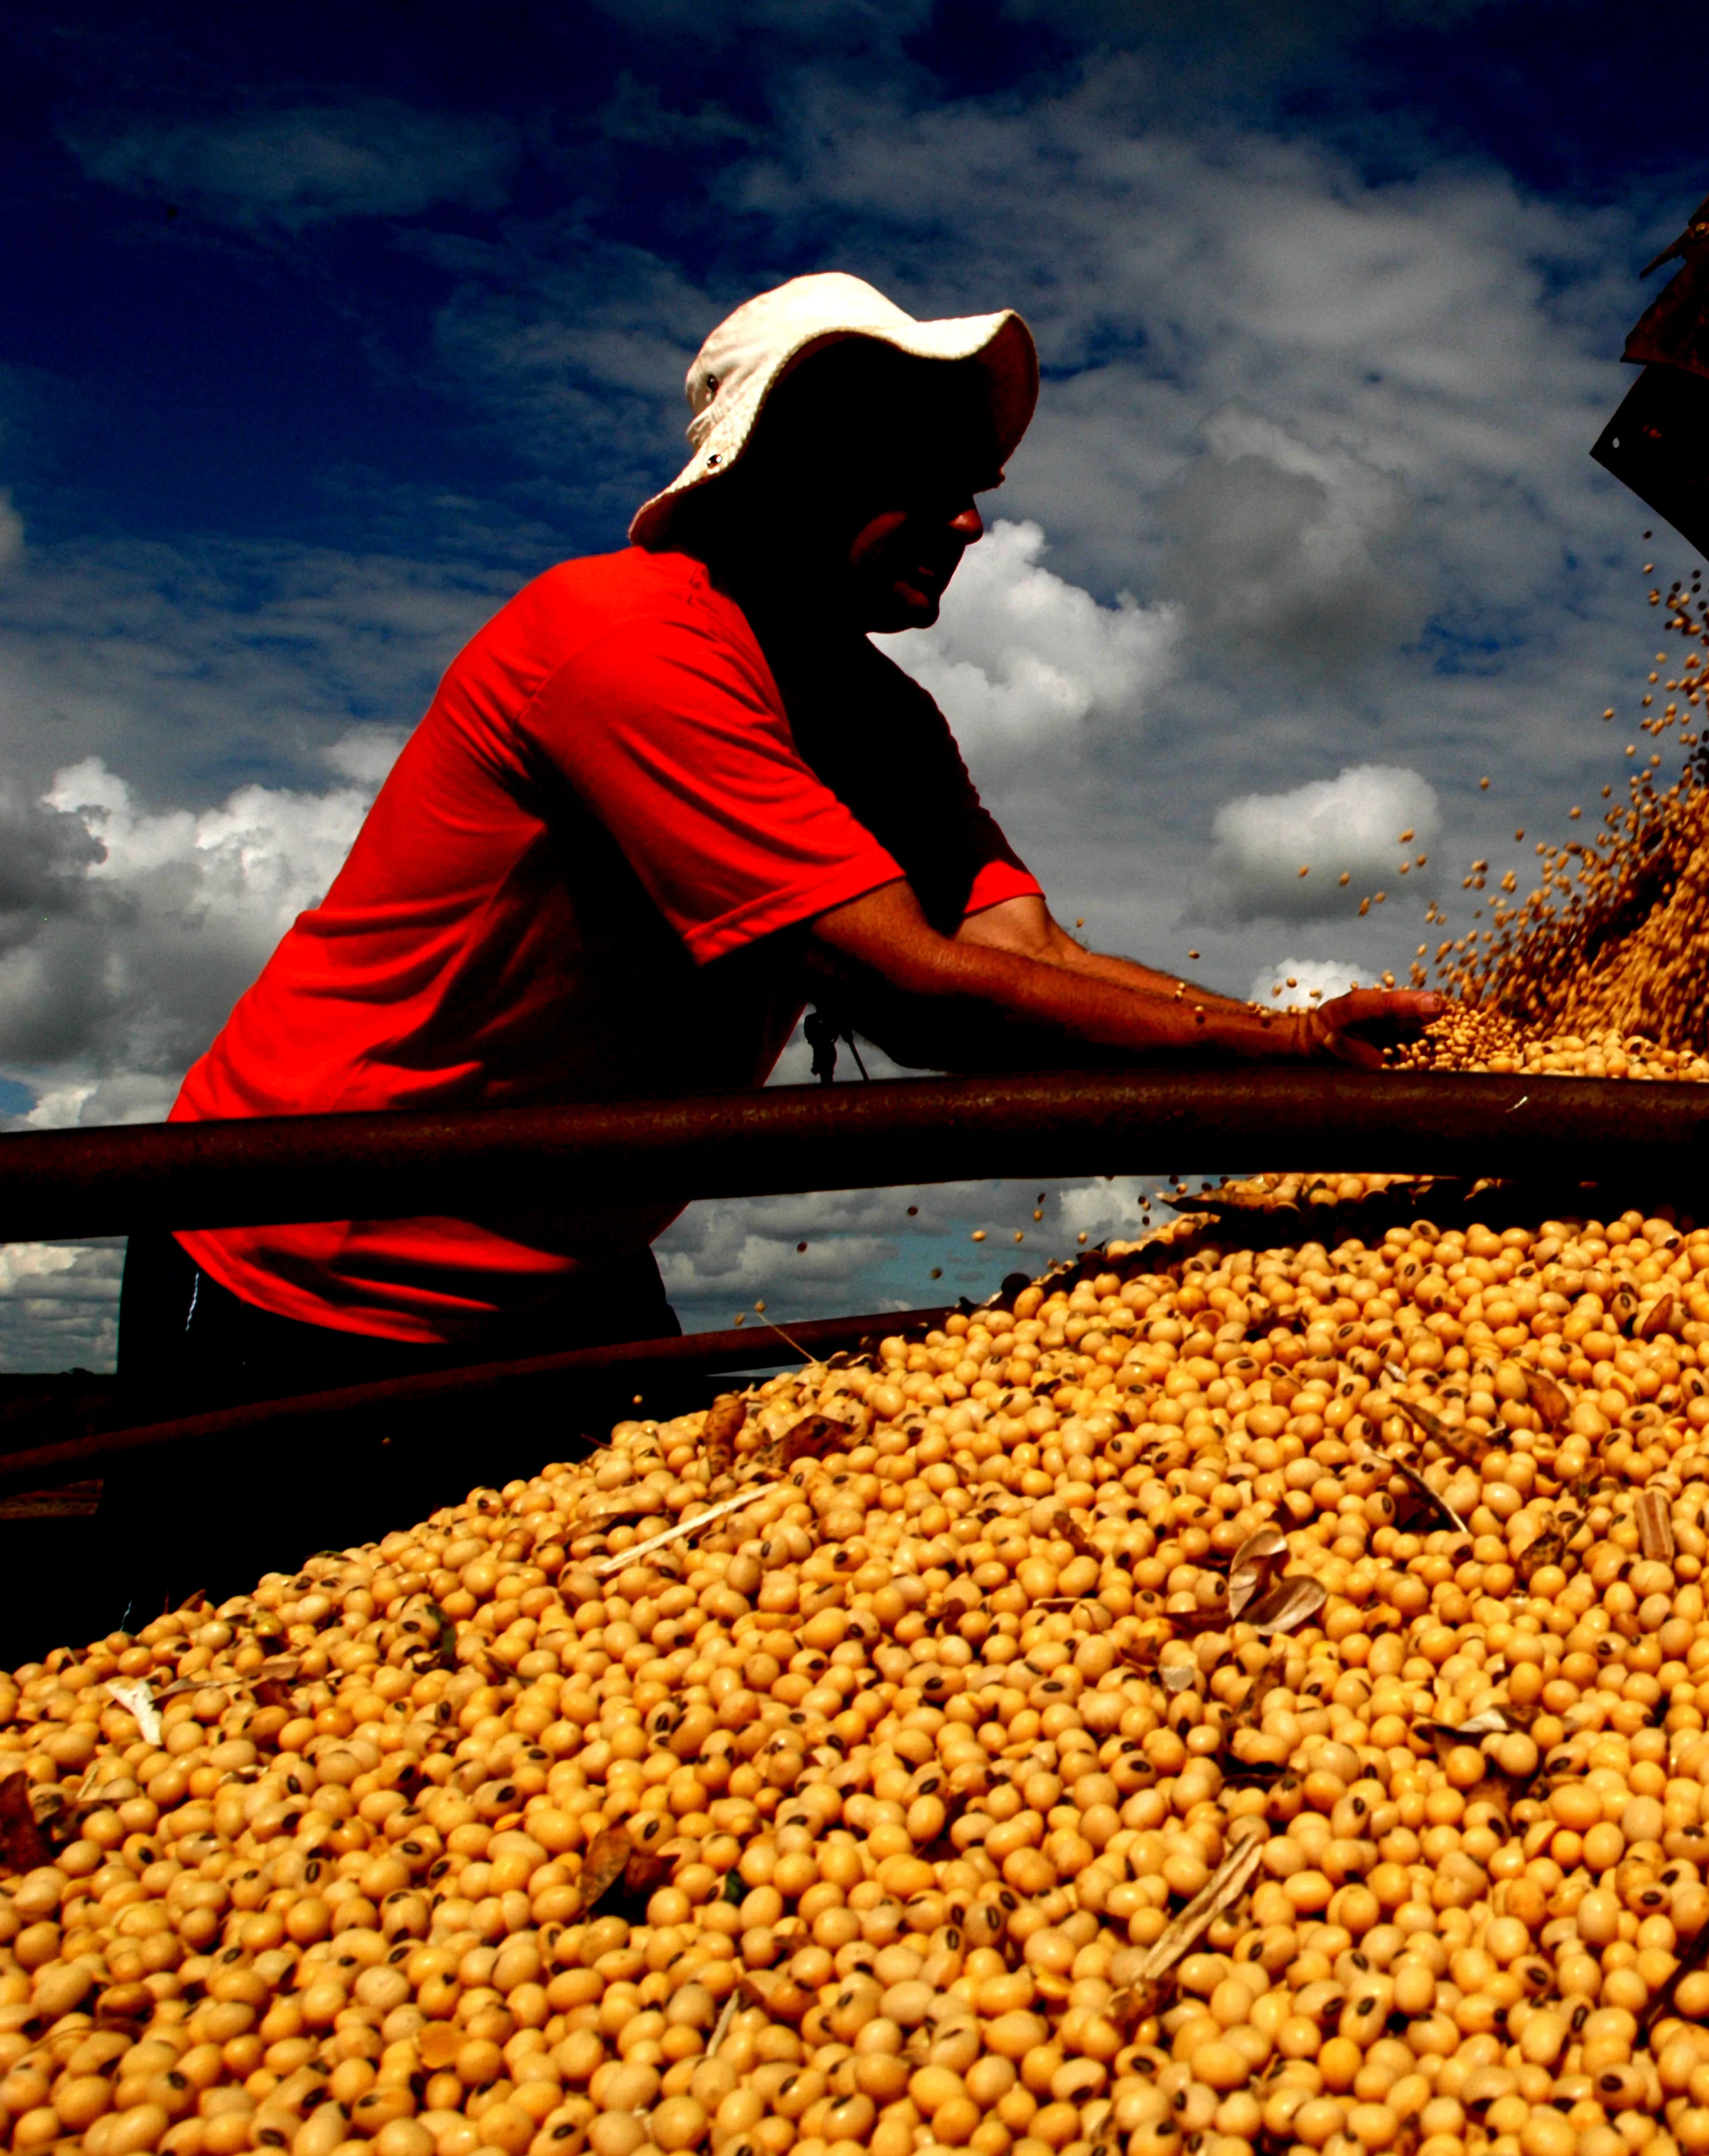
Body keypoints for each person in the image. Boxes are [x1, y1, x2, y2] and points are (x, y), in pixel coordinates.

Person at [95, 272, 1437, 1612]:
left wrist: (1299, 1046)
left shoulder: (879, 720)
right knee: (224, 1686)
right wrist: (1280, 1057)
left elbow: (1029, 949)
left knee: (659, 1624)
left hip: (569, 1267)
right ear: (794, 463)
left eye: (979, 484)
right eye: (928, 477)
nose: (970, 520)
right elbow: (909, 986)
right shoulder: (626, 640)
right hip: (314, 1266)